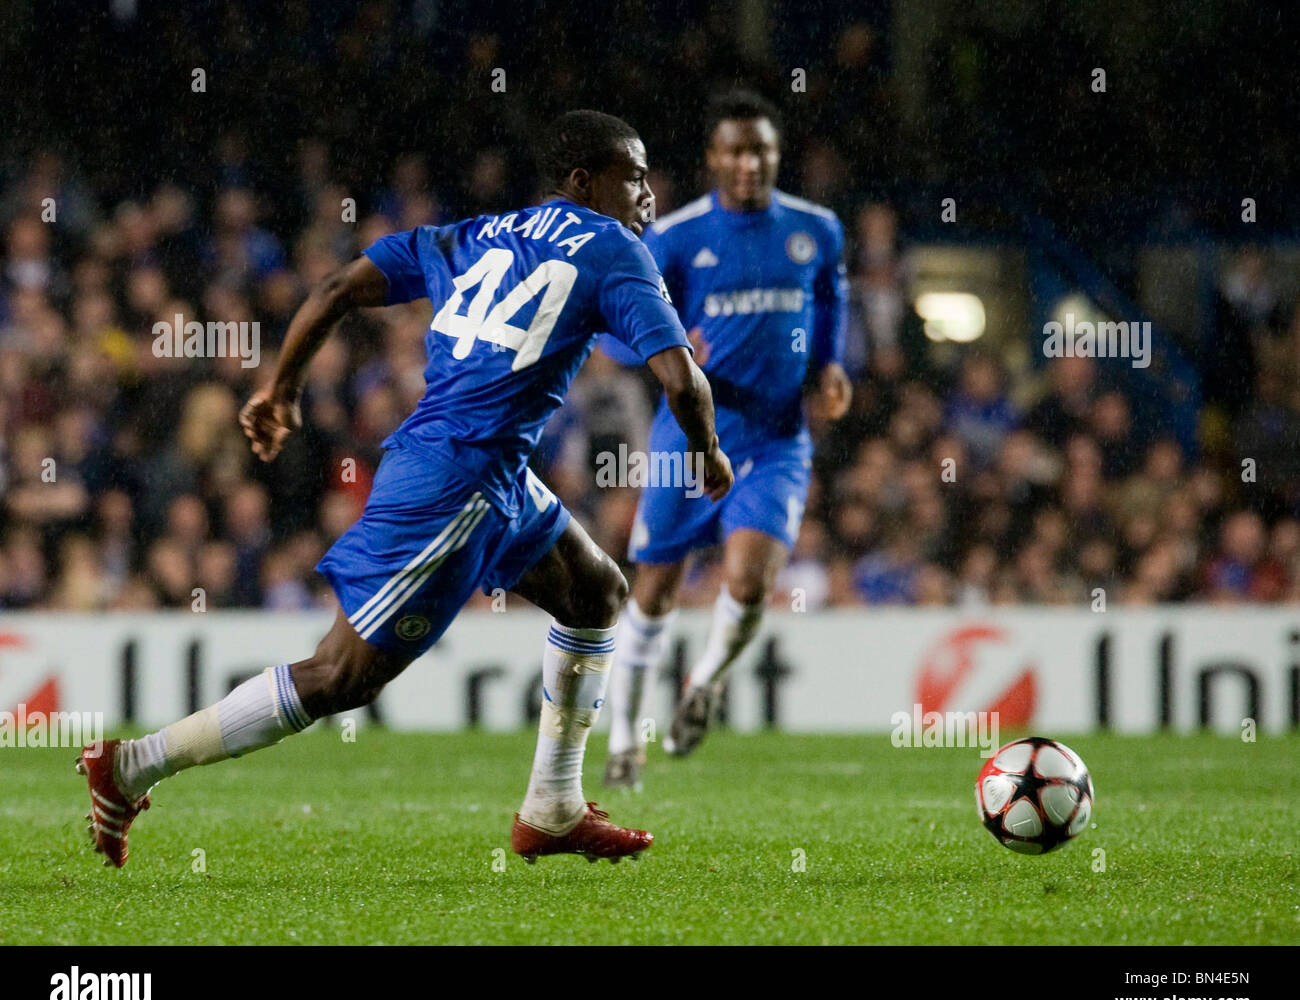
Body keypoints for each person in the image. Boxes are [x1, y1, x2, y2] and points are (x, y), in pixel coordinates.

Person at [76, 110, 733, 868]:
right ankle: (129, 767)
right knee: (338, 677)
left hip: (493, 474)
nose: (648, 195)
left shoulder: (477, 233)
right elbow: (681, 378)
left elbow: (333, 288)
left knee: (596, 592)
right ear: (585, 182)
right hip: (454, 485)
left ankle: (552, 807)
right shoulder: (614, 248)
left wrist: (281, 389)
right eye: (635, 176)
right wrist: (710, 454)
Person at [600, 90, 850, 789]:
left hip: (776, 438)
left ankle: (703, 685)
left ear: (776, 154)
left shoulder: (816, 230)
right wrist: (667, 348)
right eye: (736, 151)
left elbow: (831, 300)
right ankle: (624, 739)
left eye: (761, 150)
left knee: (750, 579)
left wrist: (830, 364)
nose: (749, 163)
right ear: (714, 158)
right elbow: (615, 329)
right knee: (654, 589)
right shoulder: (675, 239)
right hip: (691, 436)